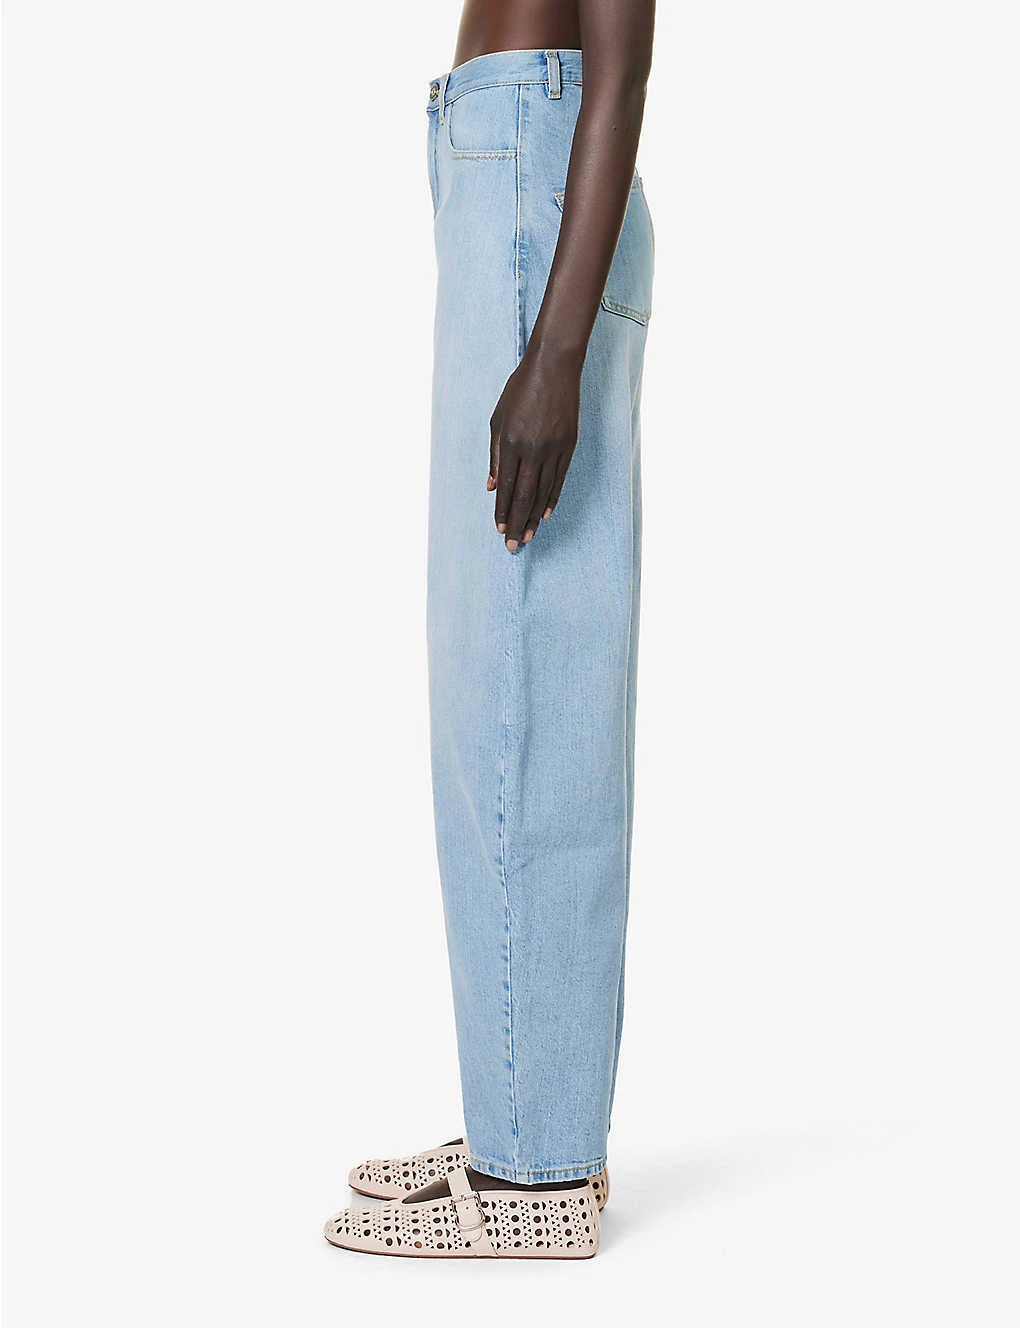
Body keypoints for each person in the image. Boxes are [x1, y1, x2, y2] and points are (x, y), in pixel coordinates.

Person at [325, 0, 655, 1259]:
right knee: (503, 682)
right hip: (511, 161)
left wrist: (554, 352)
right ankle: (525, 1113)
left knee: (523, 685)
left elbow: (622, 59)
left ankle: (532, 1172)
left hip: (537, 170)